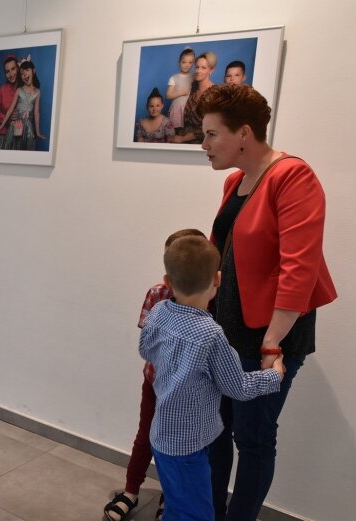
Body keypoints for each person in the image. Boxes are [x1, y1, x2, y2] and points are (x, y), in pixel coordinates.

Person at [198, 84, 337, 521]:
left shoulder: (294, 176)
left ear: (243, 133)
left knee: (254, 438)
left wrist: (273, 344)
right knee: (216, 431)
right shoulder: (235, 180)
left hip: (268, 337)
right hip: (226, 330)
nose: (203, 145)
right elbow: (222, 252)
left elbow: (301, 268)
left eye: (210, 134)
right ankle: (211, 513)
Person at [140, 235, 286, 521]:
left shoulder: (158, 312)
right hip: (188, 446)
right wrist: (273, 375)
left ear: (167, 281)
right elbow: (239, 387)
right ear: (218, 279)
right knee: (196, 515)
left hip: (161, 436)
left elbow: (145, 347)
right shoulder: (211, 334)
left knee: (177, 504)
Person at [103, 228, 206, 521]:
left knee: (179, 445)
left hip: (189, 390)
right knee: (146, 435)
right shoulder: (157, 294)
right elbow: (148, 340)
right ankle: (131, 491)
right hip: (156, 382)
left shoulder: (208, 300)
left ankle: (169, 497)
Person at [0, 58, 47, 150]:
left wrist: (38, 132)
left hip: (28, 128)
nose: (25, 75)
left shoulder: (37, 92)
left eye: (27, 70)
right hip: (15, 125)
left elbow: (36, 113)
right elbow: (10, 110)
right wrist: (1, 126)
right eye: (22, 73)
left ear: (33, 71)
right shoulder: (19, 90)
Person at [170, 52, 217, 144]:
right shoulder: (193, 87)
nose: (198, 71)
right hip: (182, 136)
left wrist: (182, 139)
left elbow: (211, 127)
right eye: (197, 67)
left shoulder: (215, 93)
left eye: (203, 68)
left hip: (202, 143)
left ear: (211, 70)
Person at [0, 54, 20, 149]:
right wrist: (8, 118)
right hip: (0, 137)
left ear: (18, 68)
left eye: (13, 69)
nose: (11, 74)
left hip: (17, 137)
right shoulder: (2, 89)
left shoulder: (24, 90)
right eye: (7, 71)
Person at [166, 47, 195, 130]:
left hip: (188, 110)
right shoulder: (174, 78)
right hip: (176, 110)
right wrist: (182, 92)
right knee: (174, 132)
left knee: (187, 132)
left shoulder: (194, 77)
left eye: (190, 62)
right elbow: (168, 96)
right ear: (179, 62)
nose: (187, 65)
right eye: (184, 62)